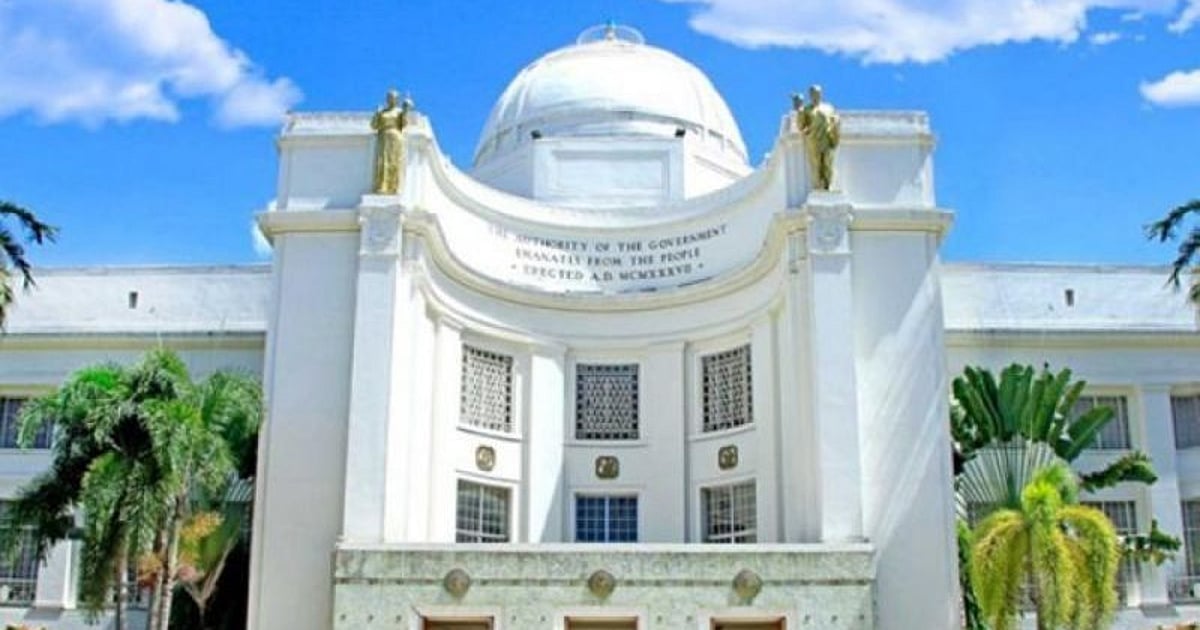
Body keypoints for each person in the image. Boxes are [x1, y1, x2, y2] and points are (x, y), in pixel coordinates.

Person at [797, 85, 840, 191]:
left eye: (818, 93)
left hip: (826, 139)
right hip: (814, 140)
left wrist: (835, 127)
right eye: (814, 93)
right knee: (816, 163)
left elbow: (834, 121)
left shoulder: (828, 108)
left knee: (827, 162)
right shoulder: (807, 109)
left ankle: (827, 185)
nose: (816, 95)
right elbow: (801, 126)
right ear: (810, 95)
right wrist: (800, 112)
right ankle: (818, 186)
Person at [371, 90, 411, 194]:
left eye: (393, 97)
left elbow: (404, 124)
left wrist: (406, 110)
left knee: (394, 161)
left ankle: (394, 187)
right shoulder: (382, 112)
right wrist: (377, 114)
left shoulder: (399, 112)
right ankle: (382, 186)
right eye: (389, 97)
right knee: (383, 162)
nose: (391, 99)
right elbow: (374, 125)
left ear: (397, 99)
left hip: (396, 137)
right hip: (383, 137)